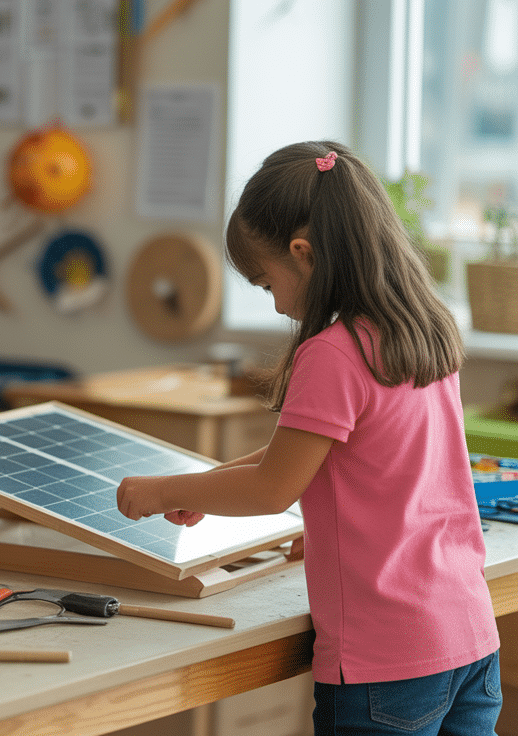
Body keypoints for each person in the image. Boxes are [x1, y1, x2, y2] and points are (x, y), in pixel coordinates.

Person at [115, 141, 501, 735]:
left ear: (303, 254)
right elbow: (306, 455)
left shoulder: (333, 353)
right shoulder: (422, 329)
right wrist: (208, 484)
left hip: (386, 661)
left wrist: (161, 492)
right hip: (469, 639)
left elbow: (274, 487)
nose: (274, 305)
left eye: (267, 283)